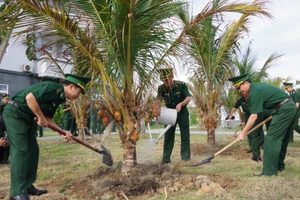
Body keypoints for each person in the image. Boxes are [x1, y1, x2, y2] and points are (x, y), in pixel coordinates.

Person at [2, 74, 91, 200]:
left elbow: (48, 118)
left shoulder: (59, 98)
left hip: (27, 118)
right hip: (15, 114)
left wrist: (63, 132)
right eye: (78, 91)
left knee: (33, 151)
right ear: (71, 87)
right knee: (20, 150)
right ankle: (17, 192)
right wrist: (41, 117)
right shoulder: (52, 87)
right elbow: (30, 98)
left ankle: (27, 186)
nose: (78, 95)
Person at [228, 74, 296, 176]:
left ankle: (269, 172)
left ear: (246, 83)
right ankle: (279, 165)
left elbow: (253, 116)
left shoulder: (255, 92)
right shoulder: (257, 88)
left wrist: (243, 133)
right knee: (282, 138)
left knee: (271, 139)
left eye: (239, 87)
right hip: (287, 106)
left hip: (283, 109)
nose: (239, 90)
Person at [153, 68, 192, 165]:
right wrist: (156, 109)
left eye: (167, 80)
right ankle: (166, 159)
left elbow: (188, 97)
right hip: (169, 114)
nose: (165, 82)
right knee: (168, 136)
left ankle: (185, 158)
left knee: (185, 135)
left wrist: (181, 104)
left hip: (182, 113)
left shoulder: (181, 85)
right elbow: (158, 100)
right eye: (163, 80)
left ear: (172, 77)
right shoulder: (161, 88)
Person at [228, 91, 271, 161]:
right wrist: (231, 114)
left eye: (245, 93)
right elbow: (234, 107)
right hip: (248, 116)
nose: (244, 94)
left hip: (257, 114)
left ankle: (262, 146)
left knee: (258, 132)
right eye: (243, 93)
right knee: (250, 133)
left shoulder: (254, 98)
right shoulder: (241, 100)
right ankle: (253, 147)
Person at [0, 93, 10, 164]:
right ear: (3, 99)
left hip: (6, 123)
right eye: (6, 99)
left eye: (8, 99)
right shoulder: (1, 105)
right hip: (2, 123)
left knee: (6, 141)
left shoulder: (9, 106)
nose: (7, 100)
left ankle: (4, 159)